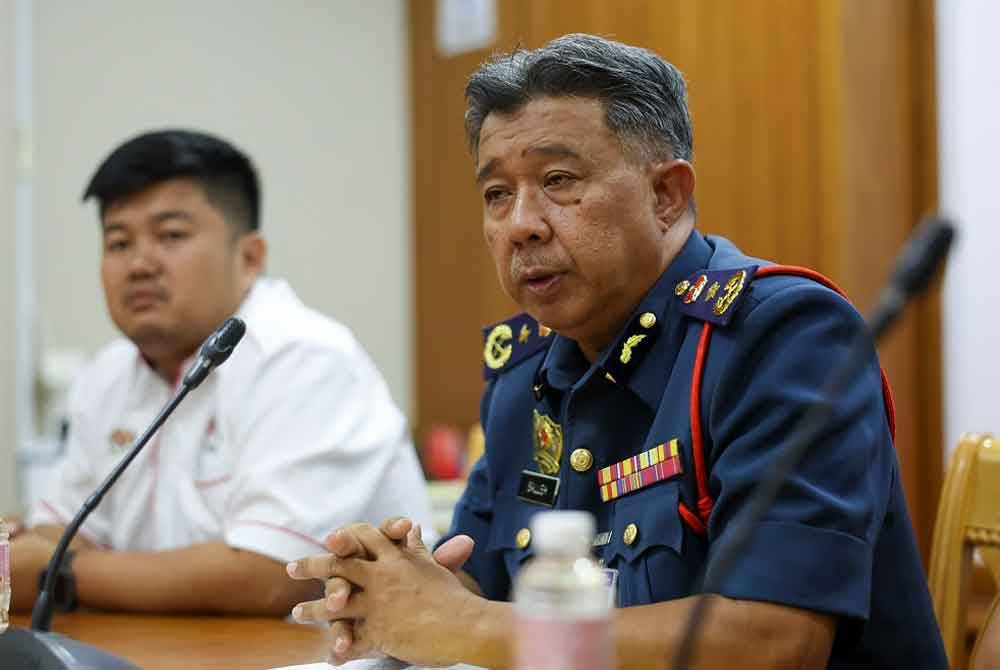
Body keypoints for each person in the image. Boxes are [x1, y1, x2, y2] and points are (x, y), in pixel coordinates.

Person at [287, 34, 947, 668]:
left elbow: (772, 644)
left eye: (559, 180)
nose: (520, 225)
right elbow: (484, 600)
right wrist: (406, 599)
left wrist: (467, 625)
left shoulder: (785, 339)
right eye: (496, 194)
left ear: (666, 196)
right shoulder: (524, 375)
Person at [8, 129, 433, 616]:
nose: (140, 264)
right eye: (118, 242)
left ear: (249, 257)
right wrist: (41, 556)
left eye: (170, 236)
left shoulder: (304, 357)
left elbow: (270, 575)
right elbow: (58, 533)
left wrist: (60, 576)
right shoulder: (107, 376)